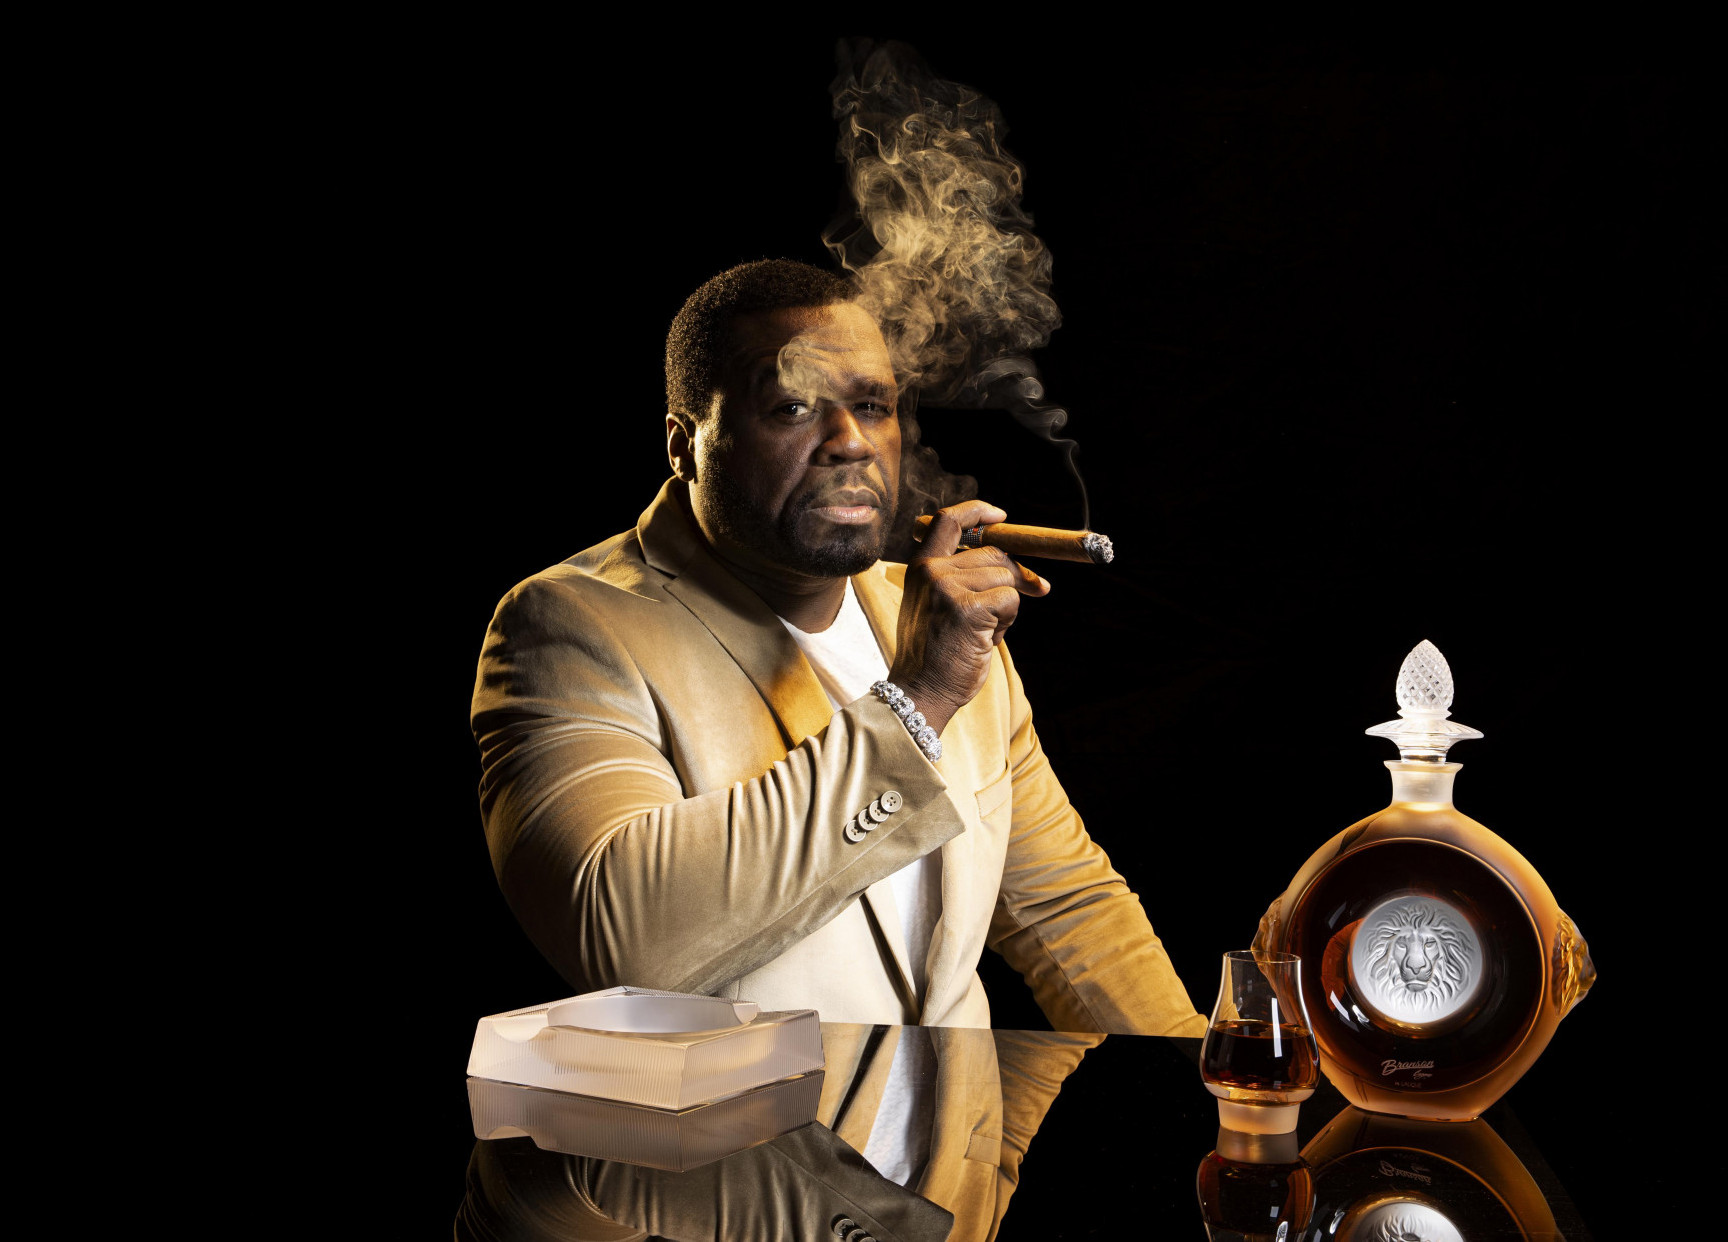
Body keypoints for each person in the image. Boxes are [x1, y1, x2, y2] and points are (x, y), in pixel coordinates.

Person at [470, 259, 1202, 1035]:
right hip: (752, 1121)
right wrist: (918, 701)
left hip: (963, 1119)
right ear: (686, 446)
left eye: (872, 405)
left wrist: (1203, 1084)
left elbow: (1063, 907)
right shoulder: (567, 625)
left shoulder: (933, 615)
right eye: (792, 406)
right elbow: (623, 942)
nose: (850, 442)